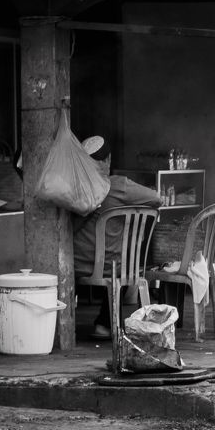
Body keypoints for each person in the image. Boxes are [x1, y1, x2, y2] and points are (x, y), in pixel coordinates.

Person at [72, 136, 161, 340]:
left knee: (112, 263)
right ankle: (104, 324)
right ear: (108, 160)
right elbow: (156, 199)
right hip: (109, 266)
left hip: (74, 263)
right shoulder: (119, 186)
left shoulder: (74, 188)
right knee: (119, 267)